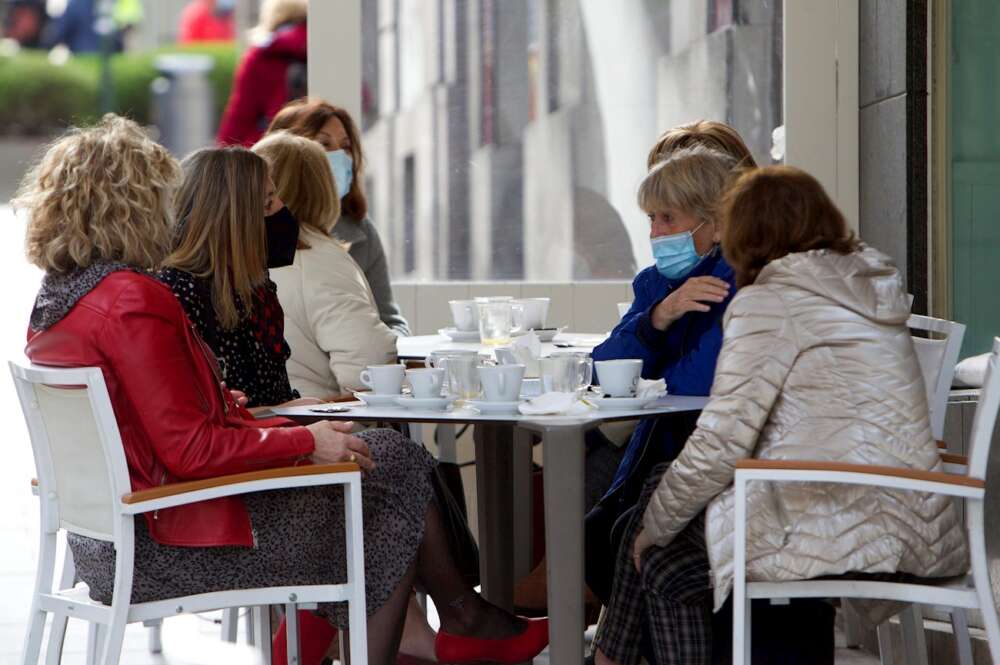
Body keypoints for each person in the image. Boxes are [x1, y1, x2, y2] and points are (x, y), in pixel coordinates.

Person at [16, 114, 549, 665]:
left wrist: (255, 417)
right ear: (133, 204)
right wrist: (304, 441)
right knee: (390, 476)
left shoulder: (60, 301)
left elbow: (158, 430)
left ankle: (449, 624)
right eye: (161, 195)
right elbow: (191, 449)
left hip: (113, 538)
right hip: (171, 542)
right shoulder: (133, 300)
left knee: (384, 470)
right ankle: (455, 621)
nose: (172, 210)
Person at [593, 166, 969, 665]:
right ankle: (612, 657)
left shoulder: (770, 302)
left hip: (827, 518)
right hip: (904, 512)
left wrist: (653, 525)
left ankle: (609, 657)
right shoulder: (865, 286)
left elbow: (721, 440)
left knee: (653, 523)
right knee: (661, 556)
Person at [582, 123, 757, 608]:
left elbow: (703, 382)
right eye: (651, 220)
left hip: (716, 457)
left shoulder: (739, 280)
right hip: (664, 451)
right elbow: (602, 371)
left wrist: (655, 363)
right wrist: (659, 317)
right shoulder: (656, 285)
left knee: (623, 534)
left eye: (667, 219)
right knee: (600, 530)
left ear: (715, 225)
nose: (656, 234)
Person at [158, 147, 310, 408]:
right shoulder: (181, 292)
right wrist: (286, 413)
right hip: (250, 441)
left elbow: (273, 387)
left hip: (275, 432)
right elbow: (199, 414)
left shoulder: (253, 283)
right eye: (267, 203)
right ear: (234, 218)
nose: (282, 210)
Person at [252, 132, 398, 397]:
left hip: (255, 428)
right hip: (316, 425)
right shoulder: (318, 260)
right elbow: (368, 369)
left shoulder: (233, 254)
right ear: (323, 190)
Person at [267, 98, 411, 335]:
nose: (339, 156)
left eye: (345, 146)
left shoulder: (361, 231)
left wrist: (384, 348)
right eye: (324, 144)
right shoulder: (259, 229)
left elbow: (391, 322)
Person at [216, 0, 307, 147]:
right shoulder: (319, 48)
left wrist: (222, 156)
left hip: (269, 147)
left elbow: (240, 115)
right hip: (314, 142)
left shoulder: (261, 54)